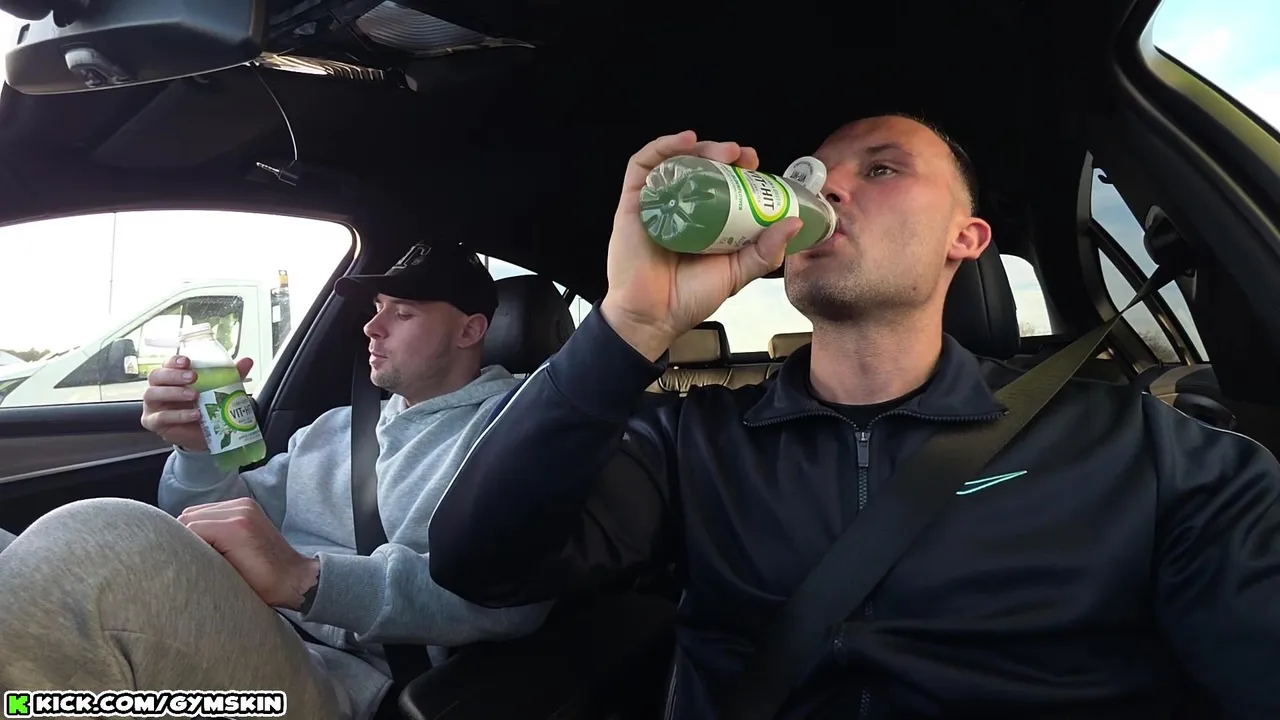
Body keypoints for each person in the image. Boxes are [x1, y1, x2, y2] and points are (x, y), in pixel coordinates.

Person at [426, 116, 1280, 719]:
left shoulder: (1138, 446)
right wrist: (630, 323)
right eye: (813, 172)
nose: (824, 186)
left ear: (966, 238)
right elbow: (478, 562)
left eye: (881, 169)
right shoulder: (695, 438)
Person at [0, 242, 554, 720]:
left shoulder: (513, 434)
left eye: (403, 313)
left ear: (470, 330)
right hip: (241, 622)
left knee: (96, 537)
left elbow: (509, 597)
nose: (372, 326)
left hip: (341, 683)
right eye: (377, 307)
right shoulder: (334, 427)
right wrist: (200, 453)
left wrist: (307, 579)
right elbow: (221, 517)